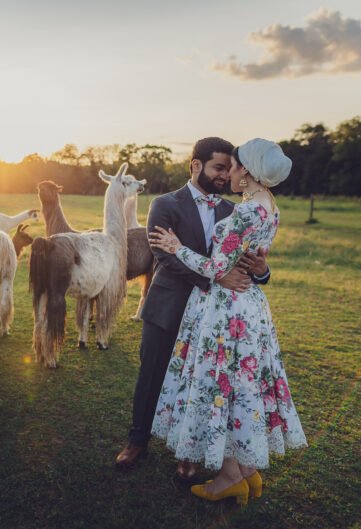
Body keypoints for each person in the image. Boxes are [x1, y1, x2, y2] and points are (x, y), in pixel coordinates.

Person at [148, 138, 307, 504]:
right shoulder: (268, 206)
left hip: (229, 311)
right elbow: (246, 258)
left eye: (233, 167)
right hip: (247, 305)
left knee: (227, 387)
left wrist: (176, 248)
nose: (228, 173)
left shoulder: (248, 212)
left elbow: (216, 269)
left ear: (247, 172)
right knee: (241, 385)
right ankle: (247, 473)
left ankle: (230, 477)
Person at [114, 137, 271, 479]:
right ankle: (137, 441)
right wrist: (216, 280)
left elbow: (247, 262)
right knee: (152, 374)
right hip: (168, 307)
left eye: (228, 168)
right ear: (196, 165)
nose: (224, 174)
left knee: (200, 384)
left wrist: (262, 272)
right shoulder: (165, 203)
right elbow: (164, 255)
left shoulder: (234, 210)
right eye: (218, 167)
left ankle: (188, 454)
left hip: (214, 319)